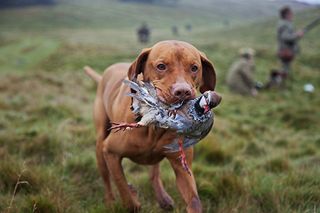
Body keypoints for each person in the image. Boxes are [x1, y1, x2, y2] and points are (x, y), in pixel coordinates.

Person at [277, 6, 304, 74]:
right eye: (290, 13)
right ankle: (280, 82)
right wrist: (297, 35)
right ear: (286, 15)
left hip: (286, 50)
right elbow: (285, 37)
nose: (292, 14)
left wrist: (296, 34)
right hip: (286, 51)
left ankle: (281, 81)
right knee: (285, 70)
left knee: (285, 68)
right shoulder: (285, 24)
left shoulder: (285, 23)